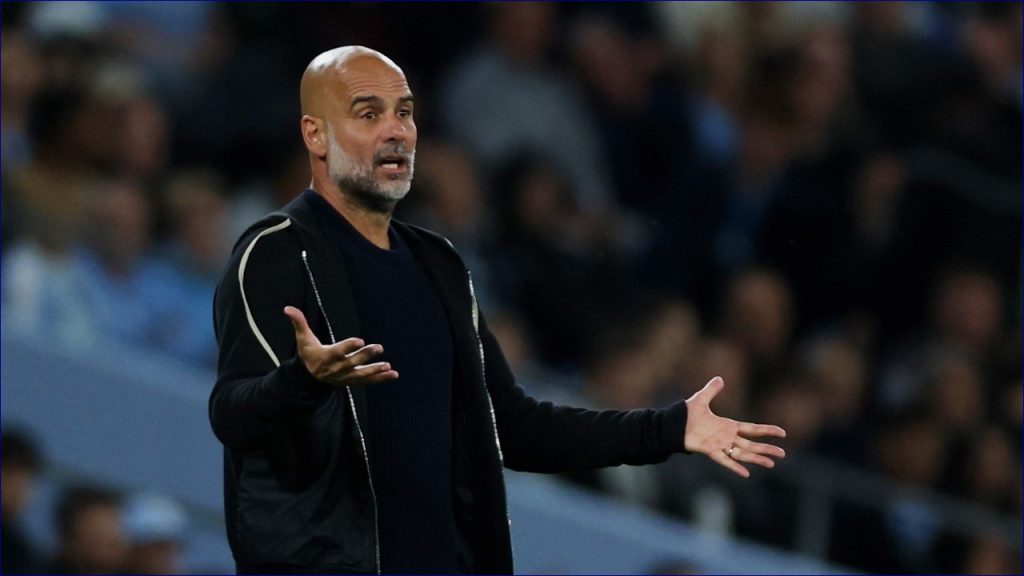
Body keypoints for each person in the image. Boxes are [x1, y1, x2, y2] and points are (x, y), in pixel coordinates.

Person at [210, 45, 787, 575]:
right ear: (315, 134)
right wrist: (302, 383)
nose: (396, 132)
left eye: (405, 113)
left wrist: (668, 428)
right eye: (369, 114)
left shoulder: (439, 265)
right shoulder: (276, 251)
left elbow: (515, 428)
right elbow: (231, 414)